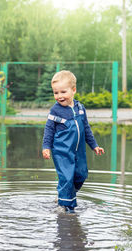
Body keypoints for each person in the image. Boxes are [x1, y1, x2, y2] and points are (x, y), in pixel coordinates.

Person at [42, 70, 104, 214]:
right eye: (56, 93)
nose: (59, 96)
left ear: (73, 90)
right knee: (66, 177)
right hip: (62, 151)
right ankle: (65, 207)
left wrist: (94, 145)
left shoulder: (80, 108)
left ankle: (65, 194)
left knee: (81, 174)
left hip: (78, 151)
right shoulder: (55, 111)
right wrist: (46, 147)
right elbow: (49, 129)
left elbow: (86, 129)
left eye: (63, 92)